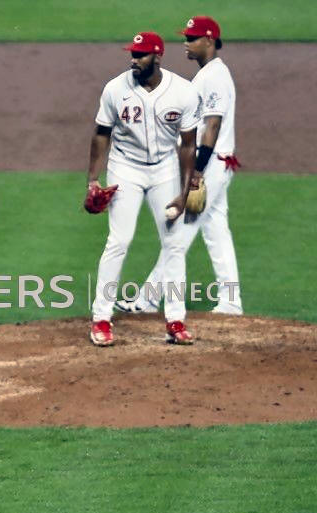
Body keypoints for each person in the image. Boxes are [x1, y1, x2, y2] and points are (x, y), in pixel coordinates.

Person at [115, 16, 243, 316]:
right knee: (216, 231)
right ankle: (231, 301)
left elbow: (212, 125)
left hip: (208, 164)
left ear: (209, 40)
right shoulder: (208, 74)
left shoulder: (215, 76)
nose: (186, 43)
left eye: (192, 38)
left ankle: (147, 300)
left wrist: (196, 171)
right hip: (215, 163)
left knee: (179, 233)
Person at [87, 32, 201, 347]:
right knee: (119, 241)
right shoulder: (115, 89)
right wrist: (93, 180)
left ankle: (175, 320)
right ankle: (101, 318)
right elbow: (101, 133)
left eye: (141, 55)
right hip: (125, 168)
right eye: (133, 54)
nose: (134, 60)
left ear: (158, 56)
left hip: (165, 169)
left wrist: (183, 193)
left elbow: (188, 145)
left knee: (174, 245)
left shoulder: (183, 92)